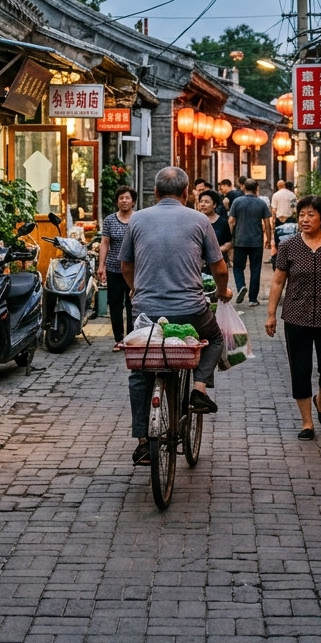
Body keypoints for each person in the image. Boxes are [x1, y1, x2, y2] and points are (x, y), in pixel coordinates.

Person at [119, 166, 230, 466]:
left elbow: (125, 265)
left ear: (154, 193)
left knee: (140, 369)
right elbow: (219, 268)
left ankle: (143, 440)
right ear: (186, 194)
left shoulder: (138, 219)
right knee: (215, 337)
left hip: (147, 314)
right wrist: (223, 292)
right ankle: (199, 388)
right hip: (191, 312)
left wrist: (135, 291)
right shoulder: (199, 220)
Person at [265, 194, 321, 441]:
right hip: (296, 316)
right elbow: (277, 281)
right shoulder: (289, 246)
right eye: (302, 215)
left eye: (311, 215)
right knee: (300, 369)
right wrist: (271, 314)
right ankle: (307, 423)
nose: (305, 220)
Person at [97, 185, 137, 346]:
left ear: (133, 201)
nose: (124, 201)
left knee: (132, 303)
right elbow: (104, 243)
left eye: (127, 198)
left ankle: (132, 338)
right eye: (121, 198)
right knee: (115, 303)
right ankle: (118, 339)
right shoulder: (110, 220)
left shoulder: (138, 218)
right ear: (117, 201)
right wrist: (101, 266)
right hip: (114, 268)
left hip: (134, 269)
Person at [228, 179, 273, 305]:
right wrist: (268, 239)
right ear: (256, 188)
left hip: (240, 241)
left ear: (243, 188)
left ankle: (241, 286)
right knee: (255, 269)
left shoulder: (237, 202)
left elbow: (231, 221)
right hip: (256, 242)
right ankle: (253, 299)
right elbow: (267, 224)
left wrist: (230, 237)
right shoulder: (261, 203)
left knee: (238, 268)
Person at [197, 190, 232, 263]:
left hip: (217, 262)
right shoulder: (195, 221)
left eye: (207, 202)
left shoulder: (223, 222)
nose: (203, 204)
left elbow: (229, 243)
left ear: (214, 205)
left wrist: (217, 251)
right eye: (201, 201)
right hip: (197, 263)